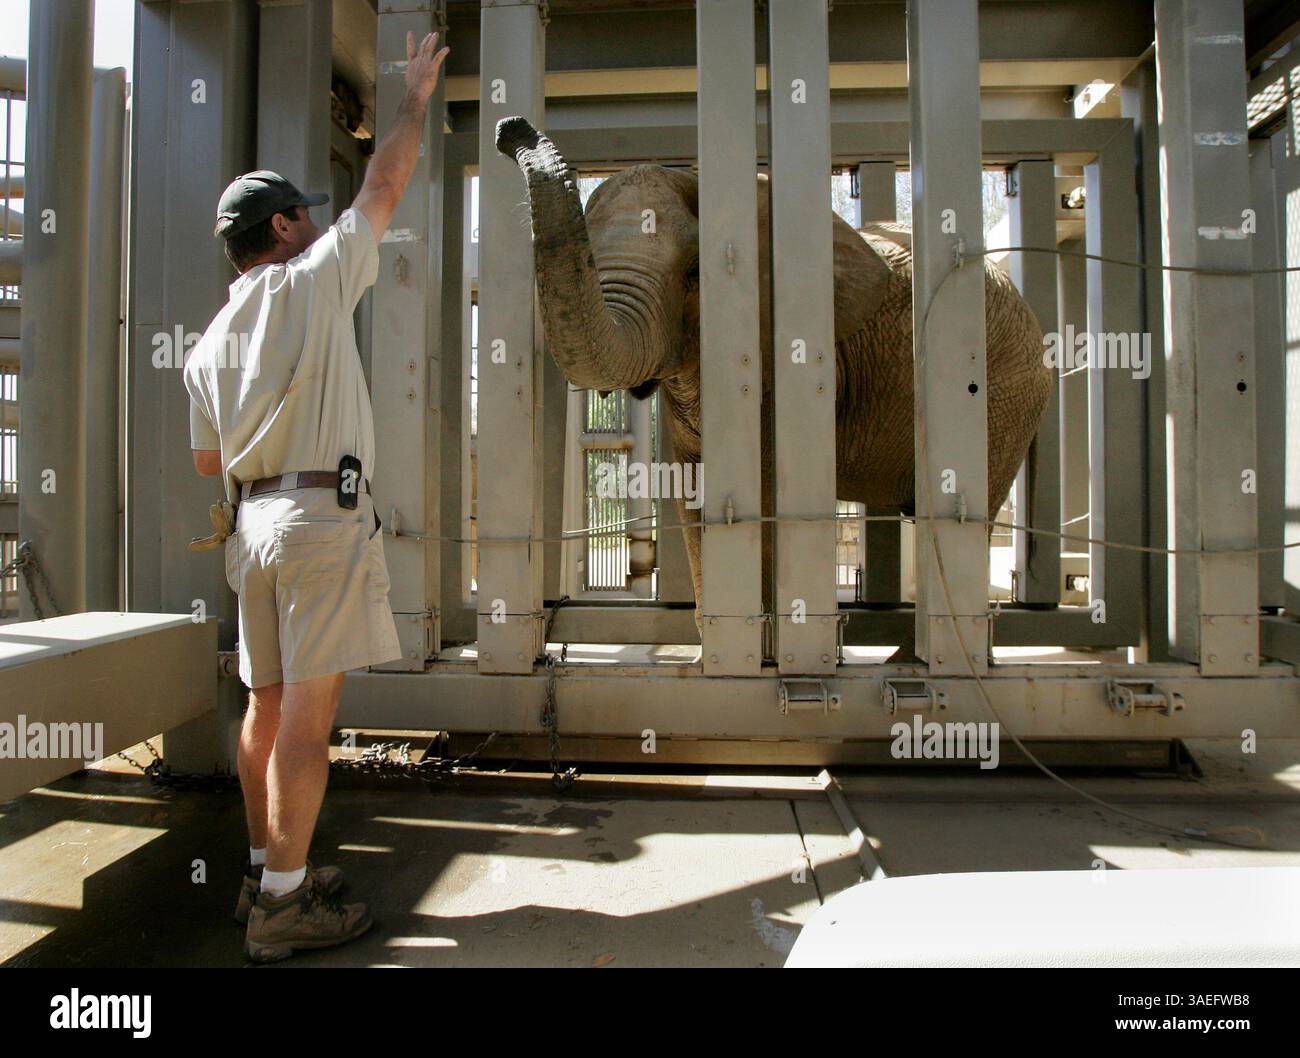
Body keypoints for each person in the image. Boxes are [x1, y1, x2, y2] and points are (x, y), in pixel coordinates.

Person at [183, 31, 449, 963]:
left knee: (263, 707)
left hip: (250, 526)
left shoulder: (207, 343)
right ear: (287, 228)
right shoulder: (312, 282)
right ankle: (284, 913)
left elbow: (211, 468)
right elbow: (385, 185)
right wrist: (413, 97)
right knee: (307, 723)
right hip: (315, 520)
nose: (314, 221)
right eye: (304, 212)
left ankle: (266, 871)